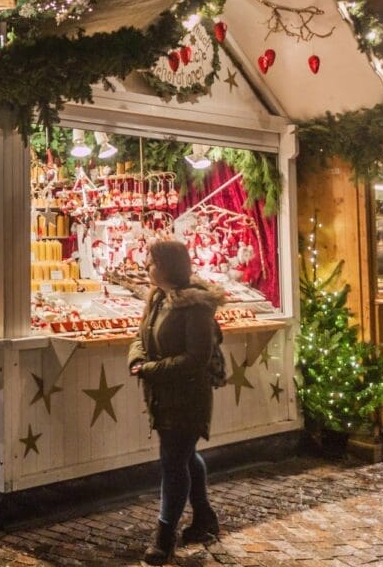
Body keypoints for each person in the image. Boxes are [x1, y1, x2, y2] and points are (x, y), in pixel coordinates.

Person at [127, 240, 224, 564]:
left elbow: (196, 358)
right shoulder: (157, 298)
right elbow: (140, 336)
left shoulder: (195, 306)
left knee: (173, 462)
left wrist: (150, 369)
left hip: (187, 396)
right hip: (162, 395)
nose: (146, 267)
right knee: (185, 455)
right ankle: (205, 519)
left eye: (152, 262)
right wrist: (136, 359)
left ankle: (164, 538)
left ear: (168, 266)